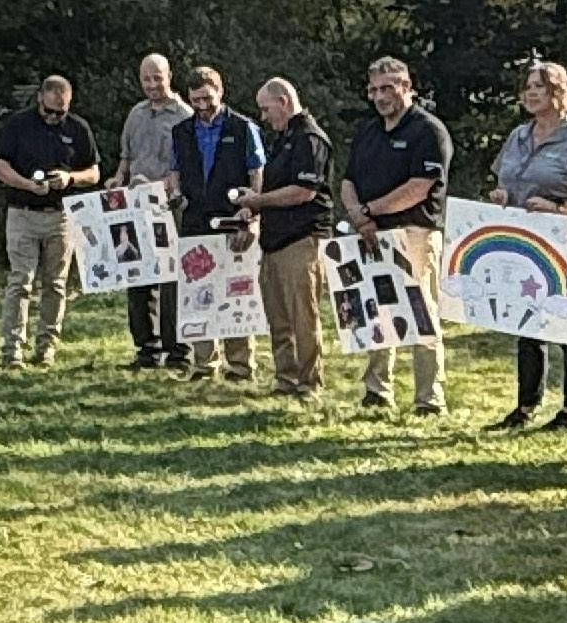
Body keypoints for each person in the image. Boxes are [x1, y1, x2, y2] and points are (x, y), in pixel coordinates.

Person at [487, 58, 567, 431]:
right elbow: (504, 180)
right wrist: (501, 196)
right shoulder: (517, 136)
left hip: (564, 243)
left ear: (560, 92)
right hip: (524, 242)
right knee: (526, 322)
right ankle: (525, 406)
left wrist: (559, 208)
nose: (531, 93)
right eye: (527, 87)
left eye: (539, 86)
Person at [344, 55, 455, 415]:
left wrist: (368, 211)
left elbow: (419, 187)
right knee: (377, 311)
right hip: (372, 233)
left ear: (407, 87)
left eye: (388, 88)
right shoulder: (368, 131)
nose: (380, 96)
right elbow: (347, 181)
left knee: (421, 313)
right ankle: (377, 391)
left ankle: (429, 399)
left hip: (415, 232)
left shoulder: (428, 130)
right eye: (374, 89)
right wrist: (360, 217)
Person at [0, 75, 98, 367]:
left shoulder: (78, 128)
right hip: (23, 213)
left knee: (56, 284)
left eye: (60, 113)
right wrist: (27, 185)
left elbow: (94, 172)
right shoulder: (18, 125)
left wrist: (70, 178)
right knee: (21, 281)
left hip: (61, 216)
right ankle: (12, 349)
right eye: (48, 111)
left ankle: (46, 347)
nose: (53, 117)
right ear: (39, 98)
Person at [168, 66, 264, 382]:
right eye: (195, 100)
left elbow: (257, 172)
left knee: (237, 290)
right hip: (195, 218)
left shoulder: (243, 127)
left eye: (207, 99)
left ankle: (240, 365)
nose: (202, 106)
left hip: (233, 217)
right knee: (197, 290)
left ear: (220, 92)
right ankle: (204, 364)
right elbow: (174, 170)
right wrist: (175, 193)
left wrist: (252, 211)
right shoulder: (180, 131)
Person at [247, 78, 336, 399]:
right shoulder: (283, 139)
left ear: (283, 101)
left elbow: (303, 191)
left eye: (266, 109)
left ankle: (309, 383)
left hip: (302, 238)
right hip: (274, 240)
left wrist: (259, 201)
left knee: (303, 316)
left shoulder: (310, 138)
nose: (263, 116)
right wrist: (252, 204)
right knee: (278, 316)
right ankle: (286, 378)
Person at [117, 55, 192, 369]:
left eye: (157, 78)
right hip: (136, 205)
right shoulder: (136, 114)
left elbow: (188, 169)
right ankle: (147, 348)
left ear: (169, 76)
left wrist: (158, 186)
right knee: (138, 273)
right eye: (146, 79)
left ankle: (178, 349)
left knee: (172, 277)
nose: (151, 85)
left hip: (170, 207)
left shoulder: (184, 116)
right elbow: (126, 157)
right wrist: (117, 179)